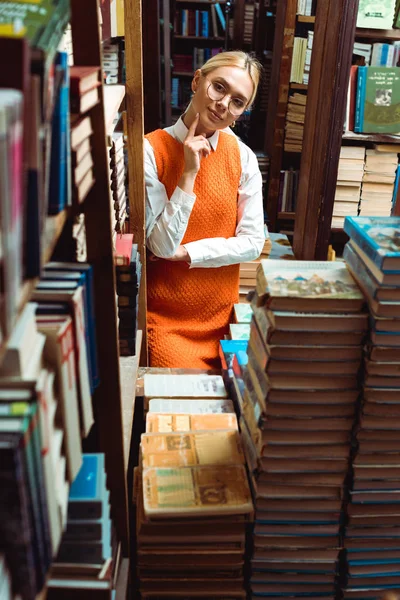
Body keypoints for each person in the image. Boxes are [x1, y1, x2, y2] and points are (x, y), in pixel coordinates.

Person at [144, 50, 266, 369]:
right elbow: (159, 246)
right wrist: (188, 173)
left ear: (241, 113)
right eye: (219, 87)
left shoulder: (243, 157)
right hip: (167, 323)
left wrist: (189, 254)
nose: (224, 104)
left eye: (238, 101)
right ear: (198, 80)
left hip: (226, 323)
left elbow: (253, 242)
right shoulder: (151, 149)